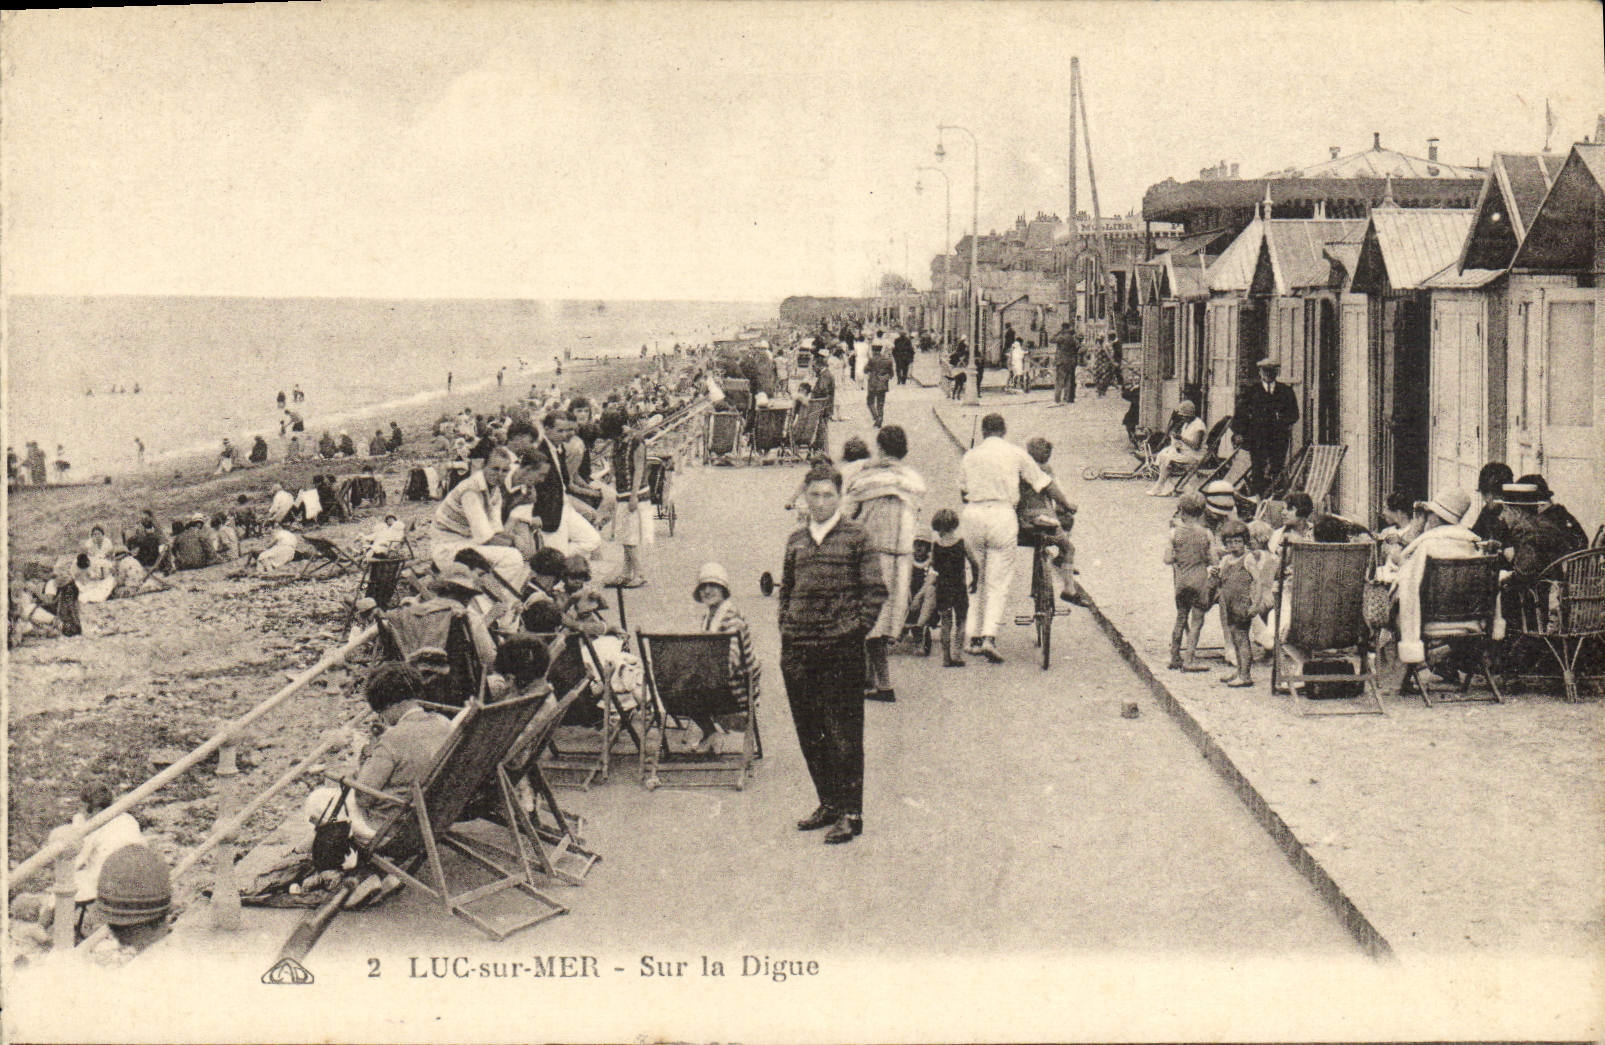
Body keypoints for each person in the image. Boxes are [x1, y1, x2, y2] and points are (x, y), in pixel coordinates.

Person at [779, 463, 887, 845]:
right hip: (798, 650)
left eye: (828, 495)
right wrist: (787, 633)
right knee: (810, 732)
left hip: (840, 653)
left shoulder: (858, 537)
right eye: (814, 495)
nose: (821, 502)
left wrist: (850, 631)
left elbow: (875, 592)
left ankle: (851, 812)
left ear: (840, 497)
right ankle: (827, 803)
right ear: (805, 498)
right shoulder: (796, 540)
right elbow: (787, 591)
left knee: (844, 734)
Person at [958, 413, 1075, 663]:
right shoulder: (1016, 453)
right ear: (1004, 430)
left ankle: (973, 637)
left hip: (973, 515)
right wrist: (1066, 503)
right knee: (998, 581)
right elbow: (1044, 484)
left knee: (976, 576)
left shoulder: (969, 456)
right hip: (1002, 514)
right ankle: (989, 636)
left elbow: (963, 492)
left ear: (982, 432)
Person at [304, 663, 454, 844]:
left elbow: (363, 798)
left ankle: (333, 855)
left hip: (390, 826)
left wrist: (369, 755)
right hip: (434, 816)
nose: (382, 718)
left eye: (381, 712)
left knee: (317, 799)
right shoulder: (444, 722)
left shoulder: (392, 738)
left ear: (390, 705)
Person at [843, 425, 925, 702]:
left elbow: (847, 516)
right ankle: (869, 678)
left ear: (879, 448)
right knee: (883, 621)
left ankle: (883, 684)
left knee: (867, 622)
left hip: (871, 555)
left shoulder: (864, 480)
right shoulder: (914, 481)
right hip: (902, 557)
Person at [1391, 488, 1483, 669]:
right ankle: (1443, 662)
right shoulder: (1473, 543)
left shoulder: (1428, 544)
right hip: (1471, 619)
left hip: (1432, 619)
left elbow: (1407, 578)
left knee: (1392, 607)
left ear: (1435, 516)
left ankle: (1408, 667)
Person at [429, 446, 528, 594]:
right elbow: (485, 537)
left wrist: (513, 539)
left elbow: (496, 530)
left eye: (504, 470)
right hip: (448, 548)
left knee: (515, 557)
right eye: (495, 469)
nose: (499, 474)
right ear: (483, 466)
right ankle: (489, 599)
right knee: (513, 558)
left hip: (467, 543)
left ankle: (492, 596)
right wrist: (515, 541)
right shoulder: (471, 490)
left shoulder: (494, 491)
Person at [690, 562, 762, 754]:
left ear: (723, 590)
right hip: (719, 684)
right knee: (679, 685)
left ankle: (711, 732)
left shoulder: (731, 619)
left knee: (682, 688)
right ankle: (711, 733)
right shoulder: (708, 617)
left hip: (735, 690)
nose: (707, 591)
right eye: (703, 587)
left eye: (713, 586)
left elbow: (730, 662)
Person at [68, 783, 145, 944]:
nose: (80, 811)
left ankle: (47, 928)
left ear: (94, 809)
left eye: (82, 807)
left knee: (66, 883)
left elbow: (77, 860)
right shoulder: (127, 818)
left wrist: (78, 825)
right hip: (138, 875)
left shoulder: (94, 825)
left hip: (108, 881)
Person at [1016, 437, 1084, 604]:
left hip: (1021, 526)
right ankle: (1069, 590)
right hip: (1043, 521)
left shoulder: (1017, 469)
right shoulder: (1043, 470)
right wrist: (1067, 506)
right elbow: (1055, 492)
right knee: (1069, 547)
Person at [1213, 518, 1270, 687]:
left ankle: (1245, 675)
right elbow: (1223, 579)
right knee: (1234, 637)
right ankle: (1239, 670)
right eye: (1229, 542)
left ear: (1245, 541)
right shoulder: (1226, 560)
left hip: (1242, 604)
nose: (1233, 545)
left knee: (1242, 638)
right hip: (1229, 604)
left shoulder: (1248, 559)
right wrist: (1216, 574)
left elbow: (1258, 581)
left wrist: (1256, 603)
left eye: (1238, 541)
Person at [1165, 492, 1217, 672]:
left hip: (1181, 579)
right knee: (1197, 621)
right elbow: (1213, 559)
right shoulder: (1206, 533)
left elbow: (1167, 559)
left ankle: (1174, 656)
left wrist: (1180, 558)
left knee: (1180, 617)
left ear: (1181, 511)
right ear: (1202, 512)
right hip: (1199, 579)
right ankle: (1189, 659)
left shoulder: (1174, 533)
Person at [1236, 358, 1300, 496]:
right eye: (1265, 371)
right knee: (1258, 469)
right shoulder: (1251, 391)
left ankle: (1274, 500)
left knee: (1277, 468)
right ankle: (1257, 500)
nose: (1268, 374)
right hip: (1257, 438)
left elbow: (1294, 414)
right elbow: (1240, 414)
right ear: (1260, 372)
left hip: (1278, 439)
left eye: (1272, 371)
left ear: (1276, 372)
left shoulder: (1286, 391)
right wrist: (1241, 433)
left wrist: (1282, 421)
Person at [929, 508, 979, 668]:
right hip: (959, 587)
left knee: (946, 622)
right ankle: (957, 654)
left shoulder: (936, 546)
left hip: (943, 587)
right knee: (962, 620)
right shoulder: (962, 543)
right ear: (955, 525)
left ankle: (946, 657)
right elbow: (975, 563)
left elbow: (933, 566)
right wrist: (975, 580)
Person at [1148, 400, 1207, 496]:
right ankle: (1166, 486)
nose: (1183, 418)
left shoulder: (1198, 426)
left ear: (1190, 415)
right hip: (1186, 452)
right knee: (1163, 455)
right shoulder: (1187, 424)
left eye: (1185, 416)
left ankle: (1160, 486)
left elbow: (1196, 446)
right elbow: (1186, 442)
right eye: (1182, 416)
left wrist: (1181, 438)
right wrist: (1178, 444)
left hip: (1195, 456)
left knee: (1168, 458)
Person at [864, 342, 895, 428]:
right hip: (882, 385)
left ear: (873, 351)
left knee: (870, 401)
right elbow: (891, 374)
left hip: (873, 384)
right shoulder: (888, 360)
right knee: (880, 403)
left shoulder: (872, 360)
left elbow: (865, 370)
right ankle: (880, 418)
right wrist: (884, 378)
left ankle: (876, 417)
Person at [1051, 322, 1079, 406]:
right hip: (1070, 362)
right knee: (1068, 381)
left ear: (1063, 328)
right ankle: (1066, 399)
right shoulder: (1073, 339)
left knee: (1059, 381)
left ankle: (1057, 399)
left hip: (1061, 361)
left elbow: (1051, 339)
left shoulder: (1062, 337)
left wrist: (1058, 332)